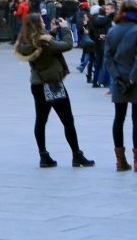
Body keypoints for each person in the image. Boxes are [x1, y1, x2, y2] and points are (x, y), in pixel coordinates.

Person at [13, 14, 95, 168]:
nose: (45, 23)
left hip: (37, 84)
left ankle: (43, 155)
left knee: (41, 120)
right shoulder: (45, 43)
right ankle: (76, 154)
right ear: (38, 25)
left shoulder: (27, 41)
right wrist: (65, 29)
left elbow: (42, 43)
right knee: (67, 120)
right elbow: (66, 45)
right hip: (52, 84)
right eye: (42, 22)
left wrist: (50, 32)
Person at [104, 0, 137, 172]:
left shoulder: (112, 31)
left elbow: (108, 57)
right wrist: (132, 78)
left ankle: (120, 161)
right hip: (136, 78)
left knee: (119, 118)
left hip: (118, 79)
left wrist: (117, 77)